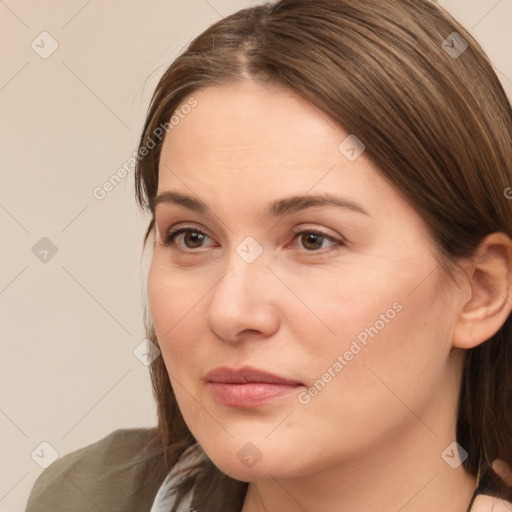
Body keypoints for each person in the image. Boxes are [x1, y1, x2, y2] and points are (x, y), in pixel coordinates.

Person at [25, 0, 512, 511]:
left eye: (313, 239)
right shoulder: (88, 494)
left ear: (480, 290)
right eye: (192, 237)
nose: (230, 312)